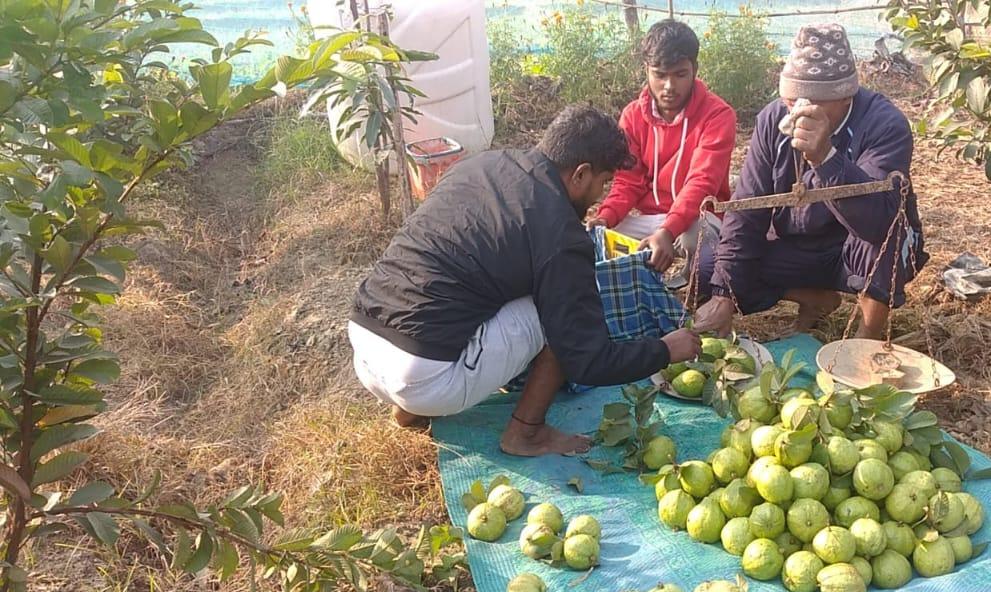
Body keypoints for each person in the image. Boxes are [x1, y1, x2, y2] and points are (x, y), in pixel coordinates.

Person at [348, 105, 701, 456]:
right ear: (580, 174)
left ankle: (409, 409)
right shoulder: (561, 234)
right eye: (603, 183)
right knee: (560, 318)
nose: (600, 198)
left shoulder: (481, 165)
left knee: (463, 288)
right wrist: (665, 350)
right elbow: (586, 358)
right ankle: (526, 433)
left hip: (364, 343)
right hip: (422, 374)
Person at [693, 23, 926, 338]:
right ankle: (814, 298)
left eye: (814, 101)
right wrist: (724, 293)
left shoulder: (884, 124)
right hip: (798, 244)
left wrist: (825, 159)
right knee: (711, 268)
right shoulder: (772, 120)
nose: (798, 112)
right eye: (791, 101)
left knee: (885, 239)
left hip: (855, 247)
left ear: (846, 96)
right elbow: (747, 209)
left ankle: (866, 340)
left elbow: (878, 221)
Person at [589, 19, 736, 283]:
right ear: (646, 70)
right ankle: (640, 291)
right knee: (602, 236)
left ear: (695, 69)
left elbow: (702, 182)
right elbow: (627, 181)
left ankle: (697, 295)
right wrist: (606, 216)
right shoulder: (633, 115)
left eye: (680, 74)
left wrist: (668, 231)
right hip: (652, 219)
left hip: (698, 217)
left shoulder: (718, 115)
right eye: (660, 74)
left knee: (697, 242)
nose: (669, 86)